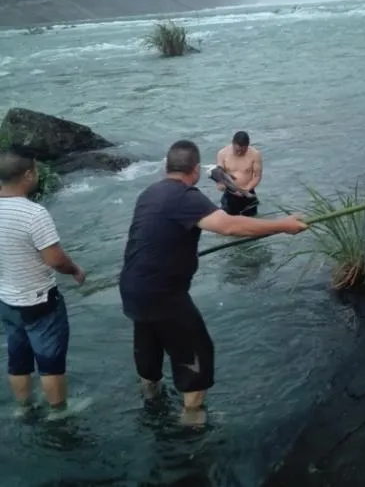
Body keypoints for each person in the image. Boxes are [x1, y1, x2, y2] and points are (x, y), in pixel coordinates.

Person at [119, 139, 306, 426]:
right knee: (197, 350)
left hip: (132, 289)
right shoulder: (186, 196)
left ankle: (151, 402)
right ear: (194, 171)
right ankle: (192, 422)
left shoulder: (149, 193)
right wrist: (284, 226)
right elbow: (230, 226)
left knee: (149, 343)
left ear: (166, 167)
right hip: (164, 294)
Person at [0, 147, 86, 418]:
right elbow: (55, 259)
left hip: (6, 299)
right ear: (27, 175)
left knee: (18, 359)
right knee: (50, 362)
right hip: (39, 300)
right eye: (35, 170)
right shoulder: (34, 214)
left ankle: (23, 408)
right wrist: (75, 270)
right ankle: (58, 412)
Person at [216, 131, 262, 217]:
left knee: (252, 225)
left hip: (248, 193)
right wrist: (220, 184)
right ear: (232, 143)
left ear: (248, 146)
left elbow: (257, 176)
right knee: (228, 224)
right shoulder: (222, 153)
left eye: (243, 151)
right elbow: (219, 174)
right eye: (237, 150)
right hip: (230, 195)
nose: (239, 153)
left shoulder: (255, 154)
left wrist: (245, 190)